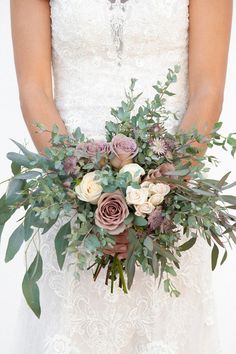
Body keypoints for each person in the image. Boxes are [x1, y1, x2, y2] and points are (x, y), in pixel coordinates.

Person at [10, 0, 232, 353]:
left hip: (167, 211)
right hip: (73, 212)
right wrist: (85, 197)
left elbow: (208, 89)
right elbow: (33, 90)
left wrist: (156, 199)